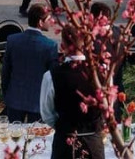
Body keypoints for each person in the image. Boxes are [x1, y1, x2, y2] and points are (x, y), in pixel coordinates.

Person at [40, 24, 105, 159]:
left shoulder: (51, 76)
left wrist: (64, 126)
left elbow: (47, 113)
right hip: (93, 142)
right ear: (86, 44)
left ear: (62, 46)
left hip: (65, 142)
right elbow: (107, 107)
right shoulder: (102, 73)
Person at [1, 4, 58, 122]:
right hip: (38, 102)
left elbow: (5, 72)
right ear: (40, 22)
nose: (51, 22)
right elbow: (53, 78)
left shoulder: (12, 40)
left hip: (15, 98)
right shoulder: (50, 46)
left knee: (13, 132)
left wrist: (7, 94)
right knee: (37, 134)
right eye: (48, 19)